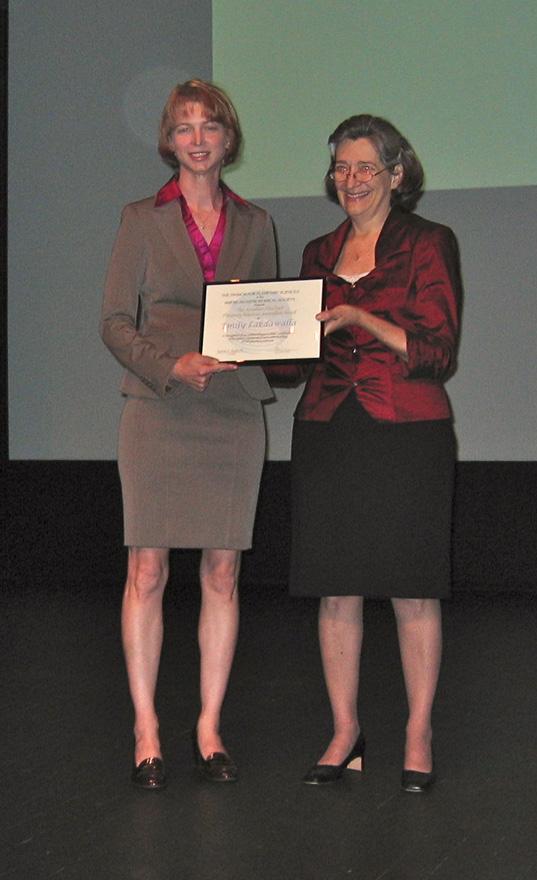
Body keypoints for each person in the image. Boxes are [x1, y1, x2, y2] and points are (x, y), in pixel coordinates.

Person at [101, 80, 277, 789]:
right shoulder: (140, 218)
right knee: (146, 570)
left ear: (228, 139)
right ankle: (146, 726)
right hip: (159, 407)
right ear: (168, 140)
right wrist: (170, 363)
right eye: (183, 127)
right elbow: (114, 322)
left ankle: (208, 725)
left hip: (232, 413)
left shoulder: (257, 223)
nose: (197, 138)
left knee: (223, 572)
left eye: (209, 126)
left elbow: (266, 321)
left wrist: (284, 337)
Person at [279, 115, 461, 792]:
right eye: (339, 167)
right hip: (328, 427)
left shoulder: (428, 243)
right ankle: (344, 730)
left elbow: (437, 354)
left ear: (396, 174)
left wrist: (361, 319)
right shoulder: (316, 251)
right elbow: (293, 368)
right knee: (336, 589)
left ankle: (417, 730)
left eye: (364, 167)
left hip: (406, 429)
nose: (349, 180)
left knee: (412, 589)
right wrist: (256, 333)